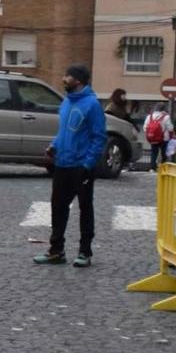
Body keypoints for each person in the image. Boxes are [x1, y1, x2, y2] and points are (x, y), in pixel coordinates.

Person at [33, 64, 107, 268]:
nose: (63, 79)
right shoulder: (66, 102)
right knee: (57, 207)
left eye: (67, 76)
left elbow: (99, 137)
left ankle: (85, 252)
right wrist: (54, 146)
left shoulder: (92, 105)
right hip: (62, 163)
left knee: (85, 208)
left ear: (78, 81)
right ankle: (56, 250)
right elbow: (64, 131)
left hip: (81, 166)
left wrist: (88, 163)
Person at [143, 104, 172, 171]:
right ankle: (163, 168)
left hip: (153, 137)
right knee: (163, 153)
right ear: (164, 109)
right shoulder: (166, 117)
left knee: (154, 153)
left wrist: (151, 133)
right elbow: (170, 128)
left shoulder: (149, 116)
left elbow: (145, 128)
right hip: (164, 138)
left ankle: (152, 168)